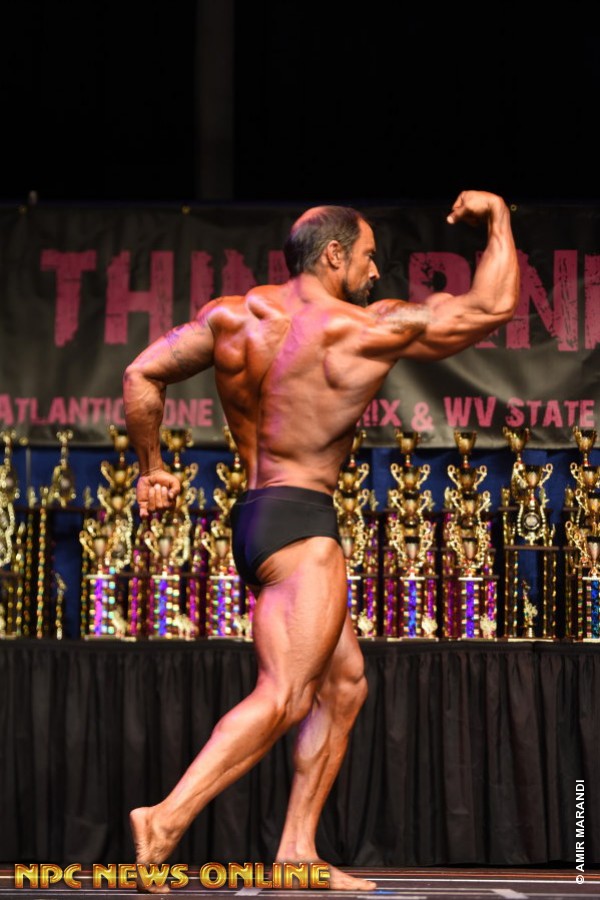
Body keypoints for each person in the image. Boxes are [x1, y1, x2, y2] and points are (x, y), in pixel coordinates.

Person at [123, 190, 520, 892]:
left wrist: (152, 467)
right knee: (285, 694)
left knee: (343, 684)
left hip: (256, 519)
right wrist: (499, 218)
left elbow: (141, 375)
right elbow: (491, 307)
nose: (376, 271)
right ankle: (164, 819)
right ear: (334, 254)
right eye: (368, 256)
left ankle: (297, 853)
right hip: (304, 528)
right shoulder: (363, 327)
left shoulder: (232, 315)